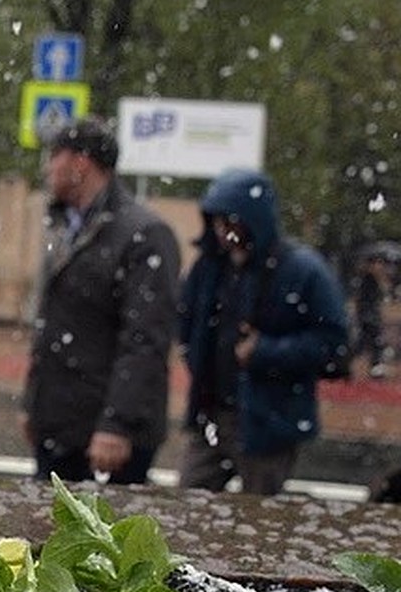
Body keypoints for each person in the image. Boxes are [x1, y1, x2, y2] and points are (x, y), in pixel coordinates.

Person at [21, 117, 181, 484]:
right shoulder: (65, 226)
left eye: (54, 157)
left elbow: (145, 339)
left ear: (81, 163)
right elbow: (51, 322)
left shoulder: (144, 235)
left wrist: (117, 426)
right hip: (61, 423)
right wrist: (34, 405)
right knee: (49, 534)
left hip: (104, 433)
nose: (48, 168)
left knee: (108, 536)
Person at [178, 167, 348, 497]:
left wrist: (265, 352)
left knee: (260, 512)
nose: (222, 231)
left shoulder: (301, 270)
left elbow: (334, 345)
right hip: (212, 413)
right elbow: (188, 321)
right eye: (217, 221)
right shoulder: (210, 266)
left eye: (230, 220)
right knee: (187, 500)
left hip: (269, 419)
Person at [350, 252, 390, 377]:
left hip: (371, 315)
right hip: (367, 316)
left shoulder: (374, 280)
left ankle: (375, 367)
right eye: (377, 263)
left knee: (367, 343)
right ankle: (375, 367)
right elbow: (361, 300)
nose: (380, 266)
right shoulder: (366, 279)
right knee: (370, 342)